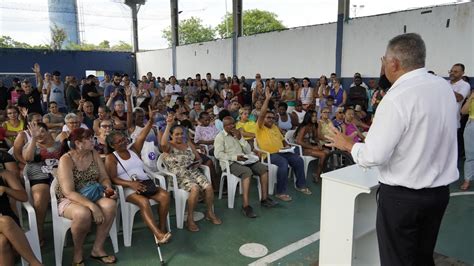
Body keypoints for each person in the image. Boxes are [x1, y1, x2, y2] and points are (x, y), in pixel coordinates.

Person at [327, 33, 458, 266]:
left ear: (394, 63)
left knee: (397, 260)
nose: (382, 65)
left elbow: (374, 156)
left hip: (403, 200)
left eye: (383, 60)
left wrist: (348, 144)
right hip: (438, 194)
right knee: (422, 257)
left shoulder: (397, 97)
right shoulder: (443, 88)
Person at [105, 106, 171, 244]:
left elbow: (142, 135)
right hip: (128, 188)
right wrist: (131, 184)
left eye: (123, 139)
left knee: (165, 196)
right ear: (112, 145)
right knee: (144, 202)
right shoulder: (112, 158)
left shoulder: (133, 150)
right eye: (119, 142)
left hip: (145, 184)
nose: (123, 142)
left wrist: (151, 120)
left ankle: (162, 227)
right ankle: (158, 234)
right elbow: (113, 178)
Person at [56, 128, 118, 265]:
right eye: (89, 139)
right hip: (71, 199)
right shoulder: (66, 159)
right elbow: (68, 192)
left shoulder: (93, 153)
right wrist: (92, 206)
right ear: (78, 143)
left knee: (110, 205)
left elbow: (103, 177)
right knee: (82, 213)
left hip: (93, 193)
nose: (93, 141)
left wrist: (108, 190)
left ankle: (97, 249)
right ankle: (77, 255)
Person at [161, 113, 221, 232]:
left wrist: (198, 163)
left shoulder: (187, 144)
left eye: (181, 134)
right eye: (176, 134)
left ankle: (209, 213)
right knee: (195, 188)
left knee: (208, 187)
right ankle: (190, 219)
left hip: (193, 171)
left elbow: (198, 158)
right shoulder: (169, 146)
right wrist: (168, 125)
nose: (179, 136)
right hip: (178, 175)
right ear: (171, 136)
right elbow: (162, 144)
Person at [214, 116, 277, 218]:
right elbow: (218, 154)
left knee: (263, 169)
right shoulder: (220, 137)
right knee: (247, 172)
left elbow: (248, 150)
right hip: (230, 163)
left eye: (233, 124)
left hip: (244, 159)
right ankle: (246, 206)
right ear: (224, 126)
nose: (232, 126)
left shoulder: (237, 134)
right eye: (229, 125)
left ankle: (265, 199)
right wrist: (235, 157)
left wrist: (240, 138)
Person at [256, 89, 311, 202]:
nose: (271, 119)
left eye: (272, 118)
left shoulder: (275, 127)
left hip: (282, 152)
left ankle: (300, 185)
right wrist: (267, 99)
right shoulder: (260, 127)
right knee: (283, 163)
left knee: (298, 159)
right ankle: (280, 192)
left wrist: (287, 146)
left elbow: (283, 140)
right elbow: (262, 114)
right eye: (268, 118)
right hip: (269, 155)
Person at [23, 122, 65, 245]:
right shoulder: (30, 145)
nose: (39, 134)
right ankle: (39, 230)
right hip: (39, 176)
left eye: (42, 131)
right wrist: (33, 139)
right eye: (36, 132)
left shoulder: (59, 146)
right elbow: (28, 158)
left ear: (48, 131)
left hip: (60, 176)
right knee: (40, 197)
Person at [0, 168, 42, 266]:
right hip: (6, 222)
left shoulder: (4, 174)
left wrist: (6, 189)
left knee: (2, 242)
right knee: (5, 221)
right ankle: (35, 263)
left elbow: (23, 197)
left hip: (10, 224)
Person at [294, 111, 329, 183]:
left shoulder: (312, 126)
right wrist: (313, 147)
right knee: (323, 154)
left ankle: (318, 172)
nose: (315, 118)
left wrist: (318, 143)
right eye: (313, 116)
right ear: (308, 117)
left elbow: (315, 137)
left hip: (308, 147)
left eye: (316, 116)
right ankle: (317, 174)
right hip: (300, 149)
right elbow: (298, 141)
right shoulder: (304, 127)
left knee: (327, 151)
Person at [460, 91, 474, 190]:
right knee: (470, 155)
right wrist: (471, 97)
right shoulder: (472, 96)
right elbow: (463, 111)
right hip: (471, 124)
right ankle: (467, 180)